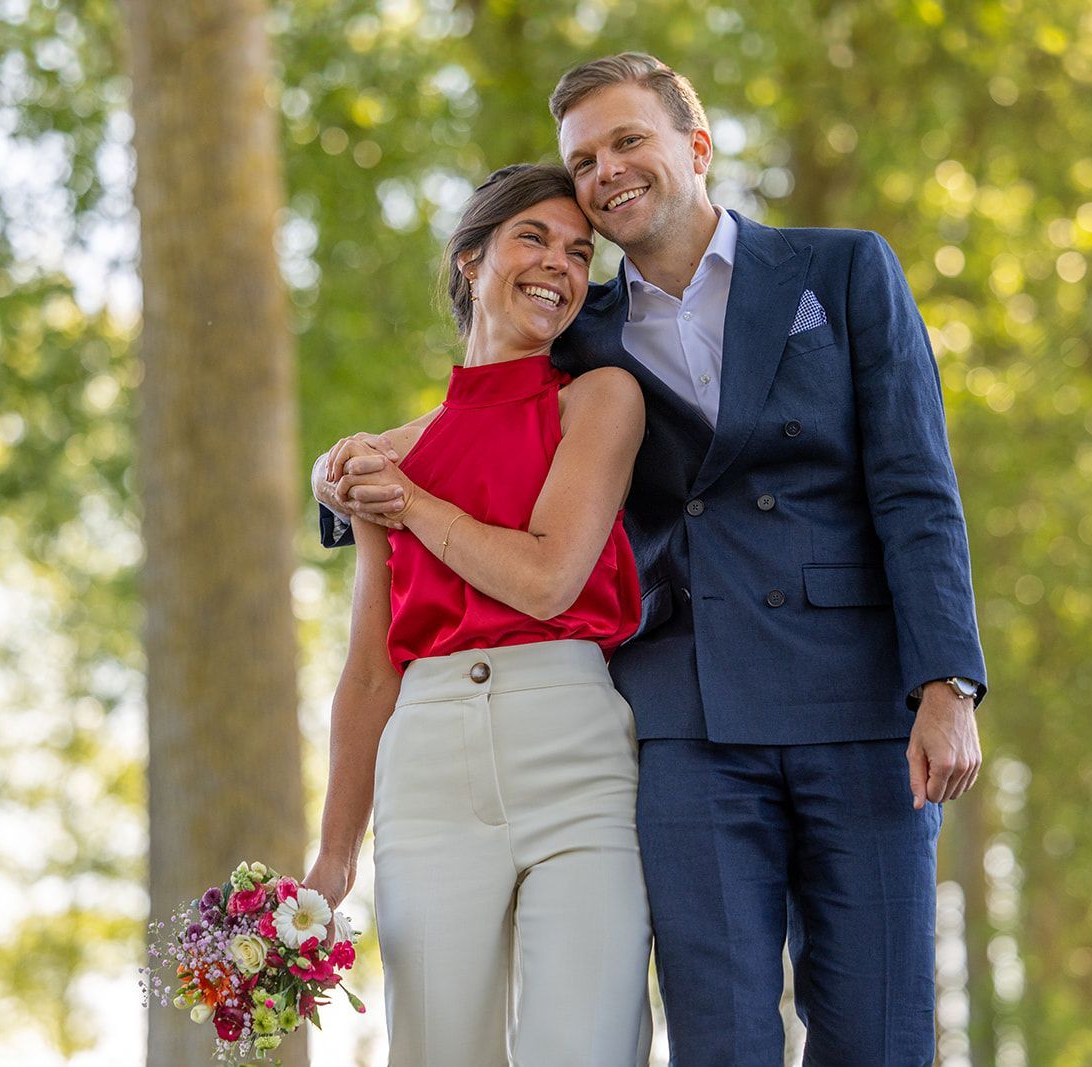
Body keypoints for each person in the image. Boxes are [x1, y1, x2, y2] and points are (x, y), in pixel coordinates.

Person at [316, 55, 987, 1066]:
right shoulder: (576, 325)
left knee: (882, 1029)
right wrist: (340, 474)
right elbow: (480, 414)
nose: (605, 171)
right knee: (716, 1037)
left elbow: (914, 483)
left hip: (855, 704)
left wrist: (948, 682)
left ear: (695, 147)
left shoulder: (841, 270)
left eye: (627, 140)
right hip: (685, 716)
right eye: (582, 159)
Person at [302, 163, 653, 1066]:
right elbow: (372, 668)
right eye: (533, 238)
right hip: (428, 766)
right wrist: (334, 860)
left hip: (573, 751)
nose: (561, 265)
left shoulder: (601, 400)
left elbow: (547, 580)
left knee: (590, 1041)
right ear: (471, 258)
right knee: (436, 1050)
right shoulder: (387, 454)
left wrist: (409, 502)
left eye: (580, 252)